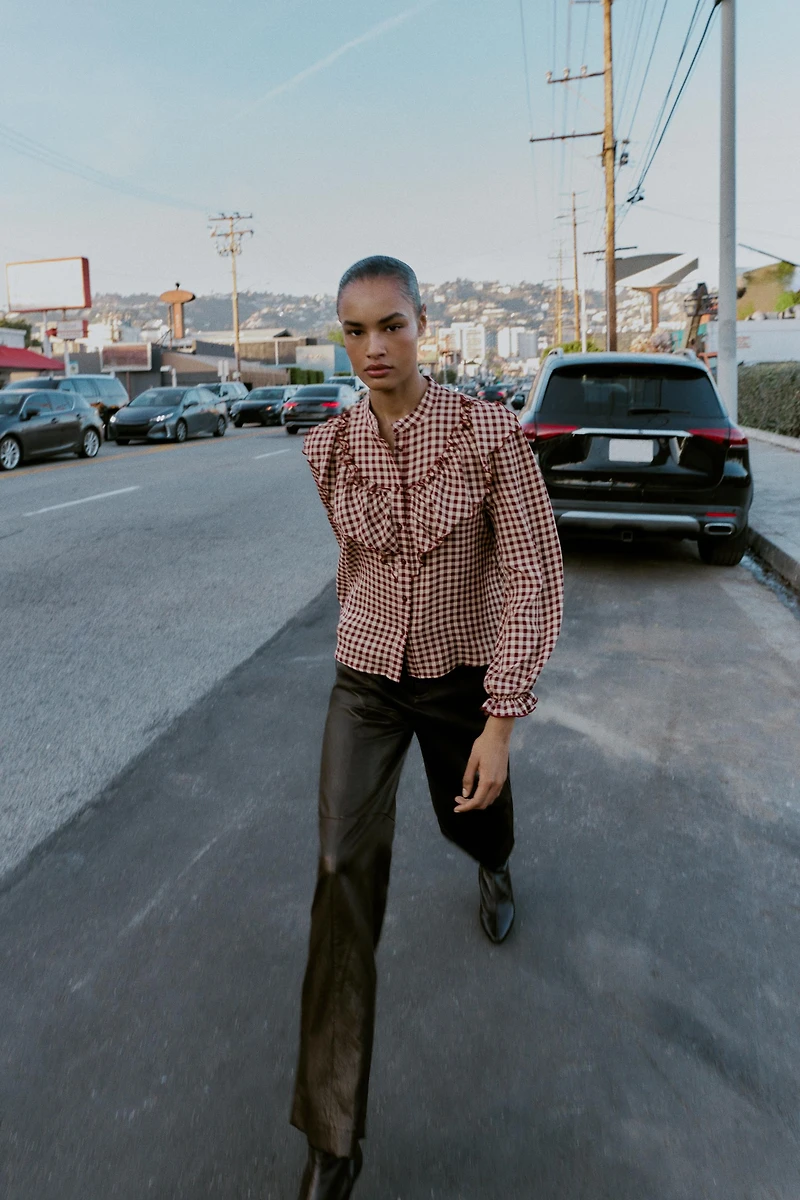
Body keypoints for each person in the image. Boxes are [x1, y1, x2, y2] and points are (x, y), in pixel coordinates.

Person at [291, 256, 563, 1199]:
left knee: (472, 817)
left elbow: (530, 574)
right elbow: (355, 557)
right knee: (339, 874)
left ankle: (495, 857)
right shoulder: (327, 449)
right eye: (355, 330)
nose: (374, 348)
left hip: (459, 679)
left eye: (392, 325)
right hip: (364, 678)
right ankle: (333, 1144)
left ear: (423, 325)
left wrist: (500, 721)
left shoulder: (489, 437)